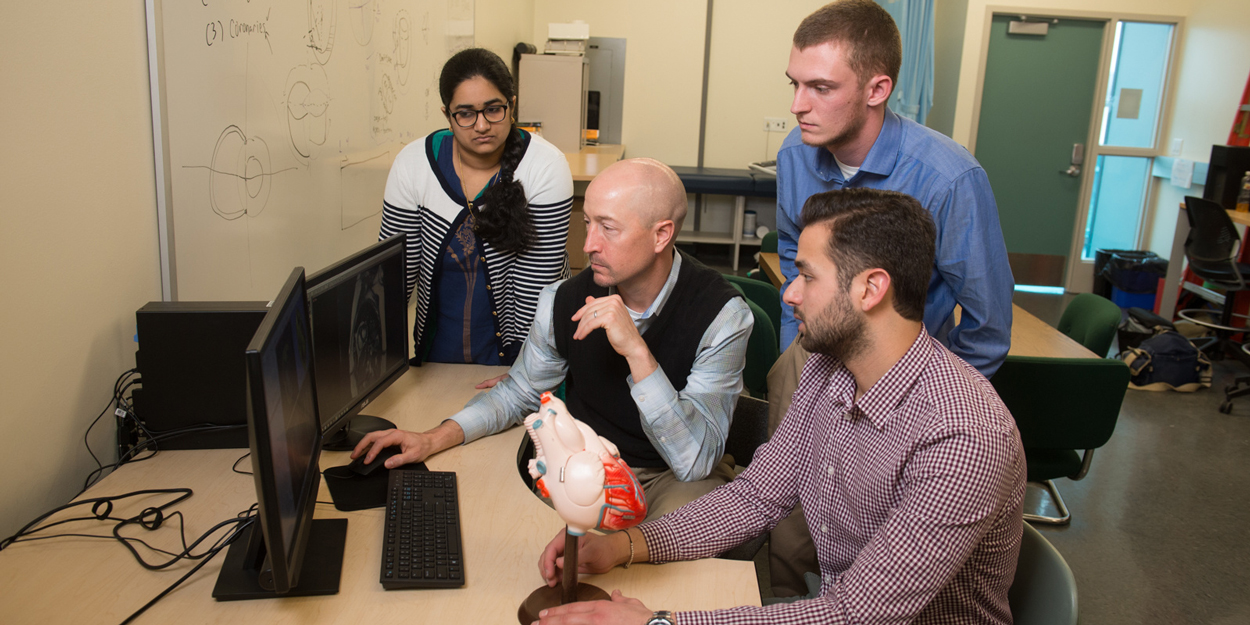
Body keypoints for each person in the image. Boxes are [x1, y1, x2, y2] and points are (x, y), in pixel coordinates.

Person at [533, 188, 1026, 625]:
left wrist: (657, 624)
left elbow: (856, 613)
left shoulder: (963, 433)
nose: (788, 294)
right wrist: (626, 546)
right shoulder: (828, 368)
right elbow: (757, 497)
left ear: (871, 289)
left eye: (807, 277)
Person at [769, 0, 1016, 595]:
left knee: (873, 555)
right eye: (795, 84)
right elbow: (789, 255)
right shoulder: (795, 156)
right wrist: (801, 355)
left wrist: (925, 399)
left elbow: (987, 322)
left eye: (821, 87)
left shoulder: (950, 177)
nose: (799, 105)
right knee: (789, 527)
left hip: (904, 380)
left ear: (878, 88)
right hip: (821, 361)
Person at [356, 158, 754, 519]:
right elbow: (518, 394)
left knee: (683, 532)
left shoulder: (723, 316)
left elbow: (695, 460)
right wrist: (431, 438)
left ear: (661, 235)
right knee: (534, 536)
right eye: (588, 224)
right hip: (588, 462)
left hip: (673, 476)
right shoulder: (561, 300)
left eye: (608, 228)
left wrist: (637, 352)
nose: (588, 245)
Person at [380, 47, 574, 368]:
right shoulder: (413, 164)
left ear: (511, 106)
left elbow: (536, 291)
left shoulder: (545, 166)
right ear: (448, 115)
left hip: (521, 353)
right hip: (437, 352)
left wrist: (523, 376)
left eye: (493, 109)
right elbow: (394, 281)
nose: (482, 126)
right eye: (466, 113)